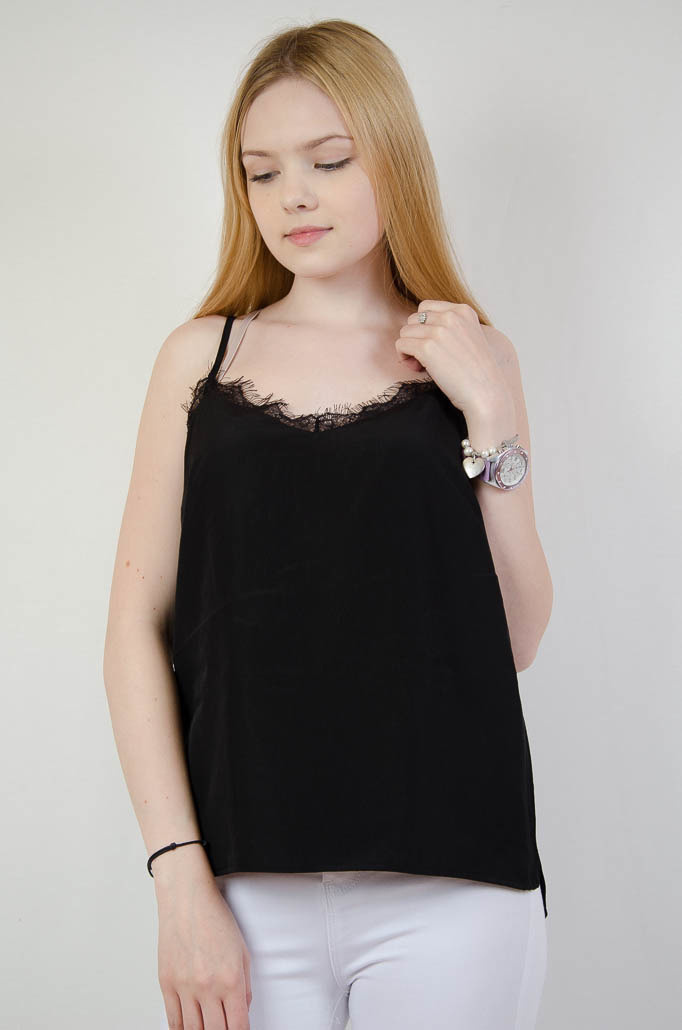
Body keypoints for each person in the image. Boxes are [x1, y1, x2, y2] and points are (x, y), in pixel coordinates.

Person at [103, 18, 553, 1030]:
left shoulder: (476, 357)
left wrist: (489, 419)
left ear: (392, 157)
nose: (293, 195)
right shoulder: (199, 361)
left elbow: (518, 635)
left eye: (329, 160)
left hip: (455, 882)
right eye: (261, 173)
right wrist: (178, 880)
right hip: (241, 888)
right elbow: (133, 626)